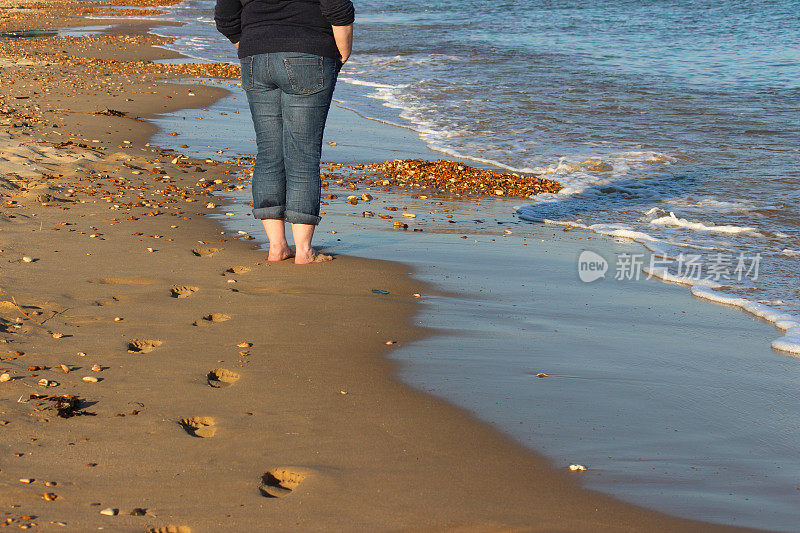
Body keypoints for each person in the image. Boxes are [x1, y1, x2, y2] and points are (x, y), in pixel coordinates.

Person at [215, 0, 354, 264]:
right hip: (308, 53)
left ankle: (277, 246)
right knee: (302, 154)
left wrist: (251, 44)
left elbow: (225, 17)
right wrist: (343, 52)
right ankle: (303, 251)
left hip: (256, 56)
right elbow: (338, 8)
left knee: (269, 151)